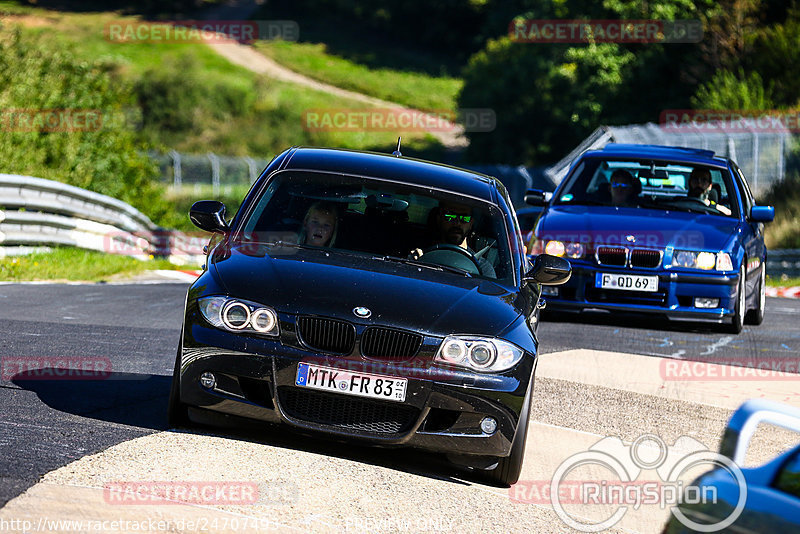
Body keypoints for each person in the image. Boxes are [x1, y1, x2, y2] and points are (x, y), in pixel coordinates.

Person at [410, 200, 496, 277]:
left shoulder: (483, 269)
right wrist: (412, 264)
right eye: (450, 216)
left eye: (464, 218)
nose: (457, 223)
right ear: (439, 219)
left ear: (471, 223)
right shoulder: (422, 256)